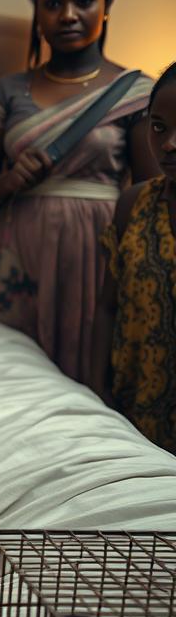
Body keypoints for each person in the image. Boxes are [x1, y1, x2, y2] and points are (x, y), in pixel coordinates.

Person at [0, 0, 158, 383]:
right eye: (53, 3)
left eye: (83, 1)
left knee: (92, 378)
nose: (68, 14)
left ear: (106, 5)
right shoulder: (9, 91)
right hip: (17, 256)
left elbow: (153, 198)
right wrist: (6, 183)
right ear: (37, 11)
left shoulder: (136, 92)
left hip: (98, 257)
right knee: (14, 381)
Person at [91, 64, 176, 452]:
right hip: (134, 405)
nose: (170, 144)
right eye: (159, 128)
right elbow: (108, 306)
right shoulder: (135, 203)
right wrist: (96, 393)